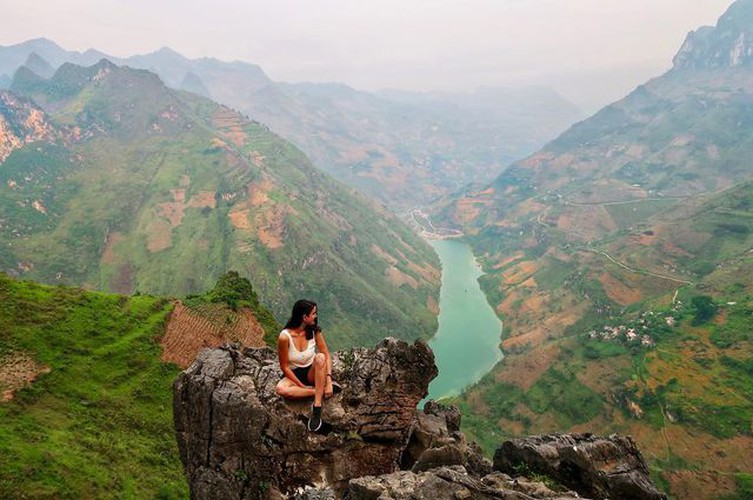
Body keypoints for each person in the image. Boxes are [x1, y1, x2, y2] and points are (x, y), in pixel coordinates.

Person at [275, 299, 339, 431]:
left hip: (312, 372)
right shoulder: (285, 337)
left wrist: (328, 379)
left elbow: (326, 354)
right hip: (293, 374)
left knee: (320, 357)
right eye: (313, 313)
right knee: (281, 390)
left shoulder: (314, 331)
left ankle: (317, 407)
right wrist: (300, 385)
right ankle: (317, 391)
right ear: (304, 317)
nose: (316, 316)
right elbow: (285, 367)